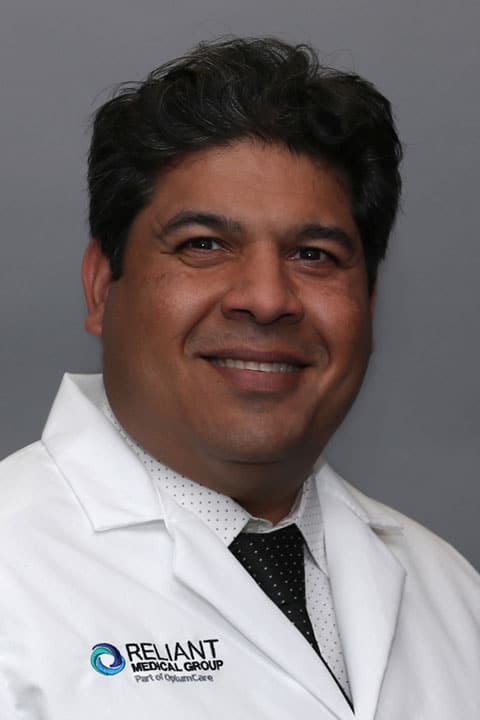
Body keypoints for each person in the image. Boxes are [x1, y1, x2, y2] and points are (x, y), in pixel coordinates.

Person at [0, 37, 478, 720]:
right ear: (103, 286)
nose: (267, 298)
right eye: (204, 245)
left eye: (314, 255)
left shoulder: (454, 594)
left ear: (369, 303)